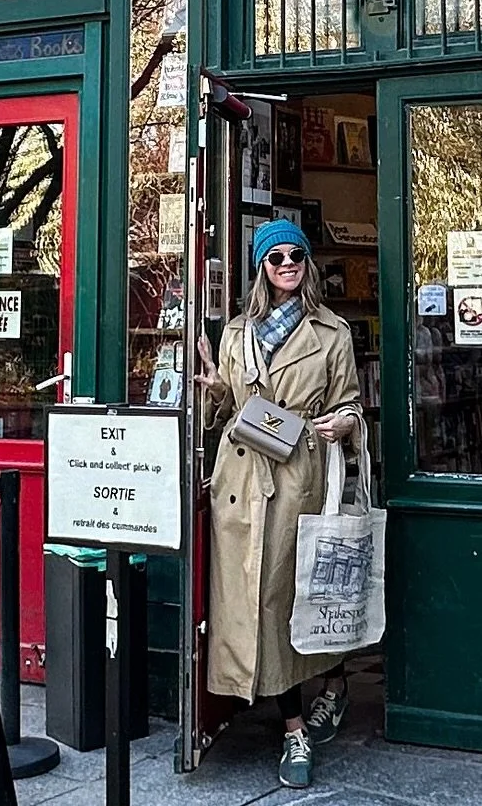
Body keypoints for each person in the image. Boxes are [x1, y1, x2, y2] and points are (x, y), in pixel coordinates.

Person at [196, 218, 364, 789]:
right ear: (261, 267)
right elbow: (227, 412)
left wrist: (342, 424)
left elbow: (351, 406)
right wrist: (215, 386)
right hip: (241, 487)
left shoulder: (332, 333)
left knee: (291, 600)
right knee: (252, 602)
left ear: (308, 263)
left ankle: (313, 707)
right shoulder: (237, 332)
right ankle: (286, 717)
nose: (287, 264)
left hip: (298, 481)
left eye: (296, 255)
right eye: (275, 258)